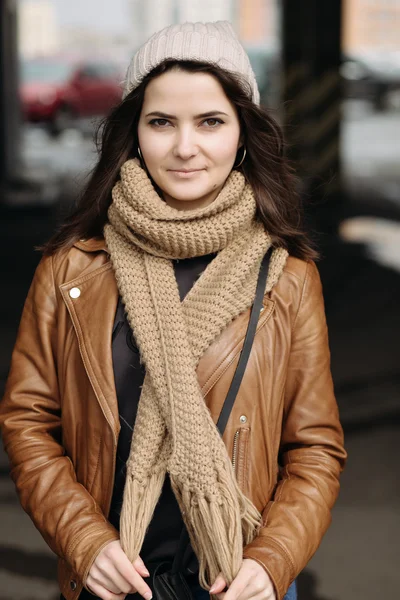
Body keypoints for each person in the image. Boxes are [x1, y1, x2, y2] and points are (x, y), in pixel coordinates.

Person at [0, 21, 346, 600]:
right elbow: (28, 424)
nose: (185, 147)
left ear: (242, 135)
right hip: (113, 582)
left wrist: (272, 559)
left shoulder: (286, 276)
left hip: (237, 581)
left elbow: (315, 447)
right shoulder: (70, 269)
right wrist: (86, 542)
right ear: (135, 134)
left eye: (210, 121)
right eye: (162, 122)